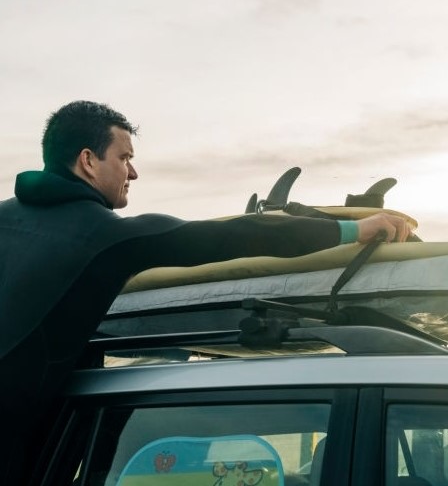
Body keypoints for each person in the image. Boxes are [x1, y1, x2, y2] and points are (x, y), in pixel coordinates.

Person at [0, 100, 412, 474]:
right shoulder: (104, 237)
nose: (133, 171)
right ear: (88, 161)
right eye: (125, 157)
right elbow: (232, 237)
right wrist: (352, 229)